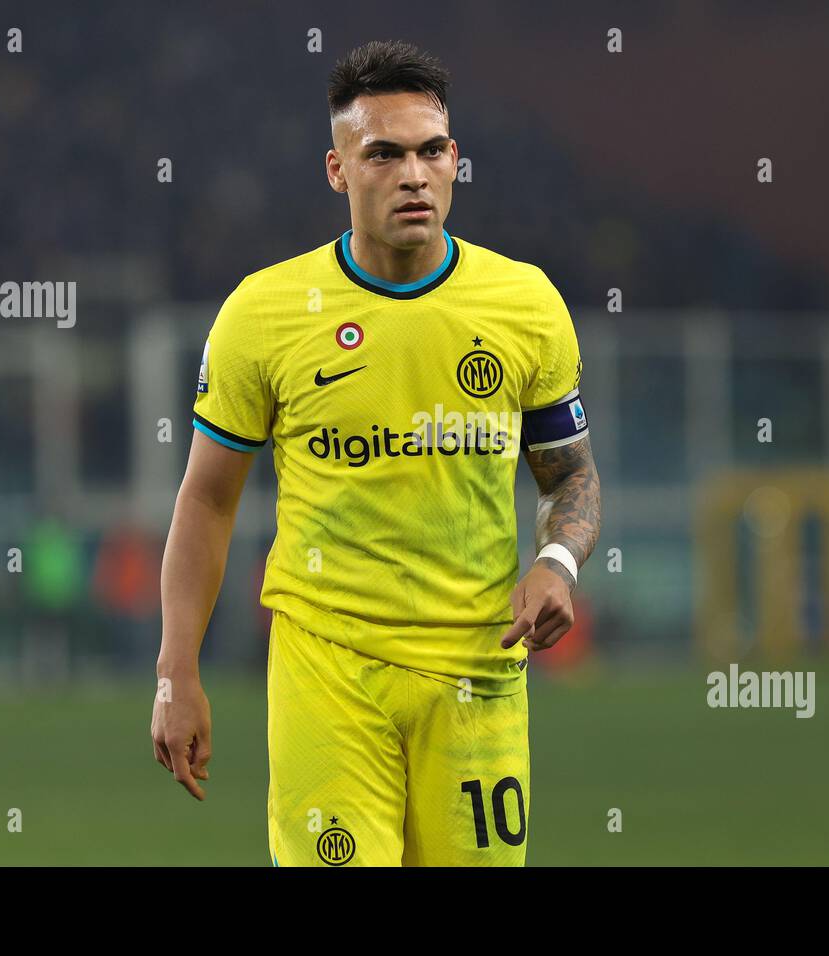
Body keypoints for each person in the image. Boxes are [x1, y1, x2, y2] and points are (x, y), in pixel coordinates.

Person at [152, 39, 601, 866]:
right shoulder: (266, 313)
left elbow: (569, 473)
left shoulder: (525, 303)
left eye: (432, 151)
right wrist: (176, 670)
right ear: (337, 169)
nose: (414, 174)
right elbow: (207, 500)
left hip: (477, 672)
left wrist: (557, 565)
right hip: (329, 671)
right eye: (383, 154)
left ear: (456, 160)